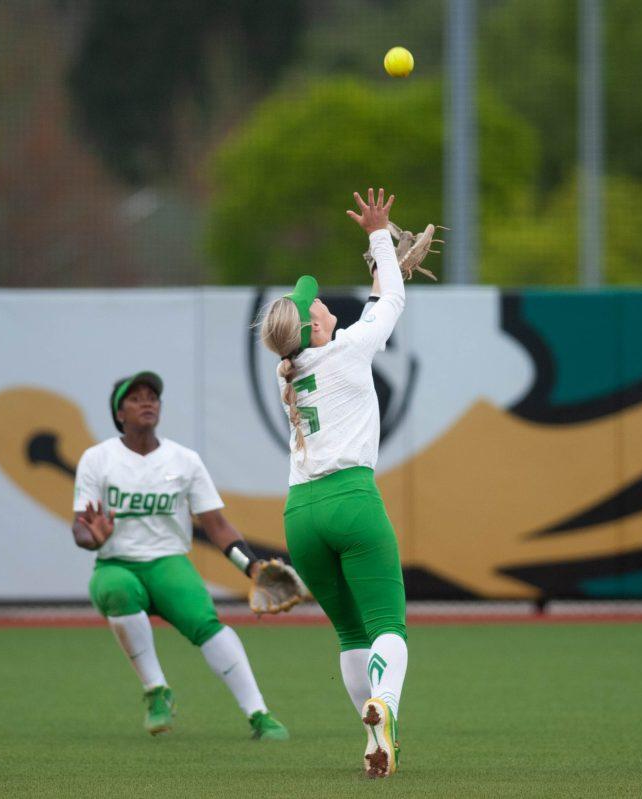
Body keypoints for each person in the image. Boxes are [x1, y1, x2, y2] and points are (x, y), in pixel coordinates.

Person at [256, 188, 409, 778]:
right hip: (351, 501)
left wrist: (381, 267)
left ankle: (376, 735)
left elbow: (374, 307)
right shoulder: (344, 351)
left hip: (300, 515)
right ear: (316, 331)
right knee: (386, 627)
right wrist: (379, 238)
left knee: (349, 631)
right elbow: (390, 301)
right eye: (312, 307)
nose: (317, 303)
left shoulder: (287, 371)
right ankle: (384, 708)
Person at [73, 371, 289, 741]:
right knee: (115, 591)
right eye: (136, 397)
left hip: (168, 561)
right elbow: (81, 526)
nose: (147, 402)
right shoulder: (98, 459)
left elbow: (216, 525)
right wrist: (92, 538)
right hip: (117, 563)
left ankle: (259, 714)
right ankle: (156, 692)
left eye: (153, 396)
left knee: (208, 626)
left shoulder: (184, 460)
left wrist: (250, 565)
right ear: (119, 413)